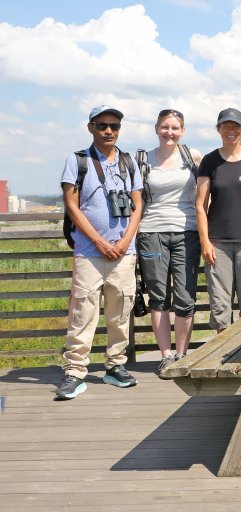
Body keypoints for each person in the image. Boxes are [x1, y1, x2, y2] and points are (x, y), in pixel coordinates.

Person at [55, 105, 144, 400]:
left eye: (114, 126)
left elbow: (138, 206)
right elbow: (72, 205)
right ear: (90, 127)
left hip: (123, 252)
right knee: (82, 312)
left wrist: (123, 242)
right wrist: (100, 243)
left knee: (120, 312)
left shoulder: (128, 162)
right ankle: (75, 371)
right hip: (88, 251)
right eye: (102, 125)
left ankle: (115, 366)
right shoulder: (77, 160)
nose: (109, 131)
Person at [136, 109, 203, 376]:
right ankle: (166, 355)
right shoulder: (143, 160)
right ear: (156, 128)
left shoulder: (193, 157)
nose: (169, 132)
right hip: (151, 233)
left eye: (175, 128)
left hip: (187, 231)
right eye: (165, 127)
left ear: (182, 130)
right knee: (158, 296)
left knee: (185, 297)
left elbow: (208, 191)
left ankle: (182, 354)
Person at [195, 108, 241, 332]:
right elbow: (200, 204)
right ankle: (222, 359)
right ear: (218, 129)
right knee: (220, 306)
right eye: (226, 126)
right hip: (218, 243)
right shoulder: (209, 161)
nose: (231, 130)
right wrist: (205, 242)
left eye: (235, 126)